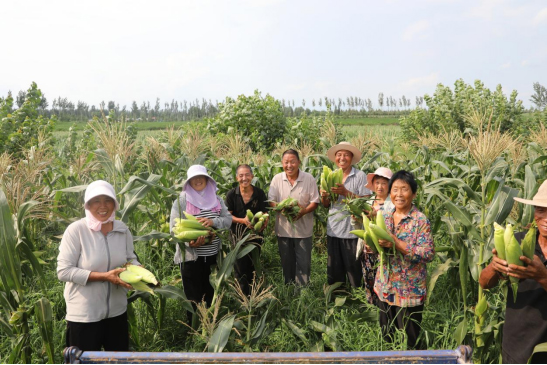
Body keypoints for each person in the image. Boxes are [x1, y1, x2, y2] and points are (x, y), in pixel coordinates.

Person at [57, 180, 140, 351]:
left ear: (115, 204)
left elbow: (131, 259)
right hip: (84, 316)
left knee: (117, 362)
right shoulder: (76, 231)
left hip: (117, 313)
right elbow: (64, 271)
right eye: (96, 201)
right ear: (87, 205)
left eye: (107, 200)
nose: (103, 206)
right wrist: (105, 277)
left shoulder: (122, 229)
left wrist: (140, 271)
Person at [479, 180, 547, 364]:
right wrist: (495, 266)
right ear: (534, 212)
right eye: (541, 210)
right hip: (516, 346)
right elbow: (484, 283)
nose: (546, 218)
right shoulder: (516, 242)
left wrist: (541, 276)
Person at [374, 170, 434, 349]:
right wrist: (373, 245)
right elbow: (380, 248)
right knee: (387, 337)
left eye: (404, 189)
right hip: (385, 287)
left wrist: (397, 243)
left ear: (413, 194)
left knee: (411, 341)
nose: (399, 194)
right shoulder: (384, 215)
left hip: (409, 291)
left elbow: (427, 254)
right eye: (395, 189)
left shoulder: (420, 221)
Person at [170, 165, 232, 320]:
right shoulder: (182, 200)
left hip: (211, 258)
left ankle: (210, 326)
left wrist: (212, 222)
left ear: (207, 179)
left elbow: (228, 220)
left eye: (200, 177)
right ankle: (194, 331)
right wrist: (189, 244)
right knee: (193, 298)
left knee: (210, 294)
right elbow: (173, 230)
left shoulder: (217, 199)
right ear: (189, 182)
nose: (197, 181)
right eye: (193, 179)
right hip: (191, 259)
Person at [320, 142, 371, 288]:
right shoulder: (329, 176)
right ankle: (337, 297)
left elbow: (367, 201)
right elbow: (325, 205)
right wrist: (324, 196)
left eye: (346, 155)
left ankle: (357, 297)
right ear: (335, 158)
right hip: (334, 228)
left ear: (351, 158)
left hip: (353, 230)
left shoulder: (360, 176)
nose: (342, 158)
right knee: (335, 268)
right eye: (339, 155)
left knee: (354, 268)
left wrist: (346, 193)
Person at [268, 149, 320, 286]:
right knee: (287, 263)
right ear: (282, 163)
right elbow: (271, 201)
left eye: (292, 162)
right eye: (286, 162)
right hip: (283, 230)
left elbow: (315, 201)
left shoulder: (308, 178)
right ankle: (289, 290)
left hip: (303, 230)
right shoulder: (277, 179)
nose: (289, 165)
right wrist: (282, 208)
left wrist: (303, 211)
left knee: (304, 264)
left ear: (299, 162)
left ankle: (302, 293)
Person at [225, 164, 269, 295]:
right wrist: (242, 221)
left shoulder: (259, 193)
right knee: (239, 269)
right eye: (241, 175)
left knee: (253, 265)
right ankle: (242, 297)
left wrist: (265, 220)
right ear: (236, 178)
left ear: (252, 176)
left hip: (255, 236)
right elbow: (228, 216)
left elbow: (265, 212)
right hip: (237, 237)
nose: (244, 178)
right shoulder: (232, 194)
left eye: (247, 175)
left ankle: (253, 295)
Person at [361, 167, 394, 304]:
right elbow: (360, 228)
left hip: (385, 251)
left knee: (384, 280)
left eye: (384, 183)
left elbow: (393, 227)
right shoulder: (367, 203)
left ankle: (385, 307)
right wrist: (356, 218)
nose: (380, 186)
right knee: (369, 278)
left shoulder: (393, 204)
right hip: (368, 250)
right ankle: (372, 307)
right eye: (377, 183)